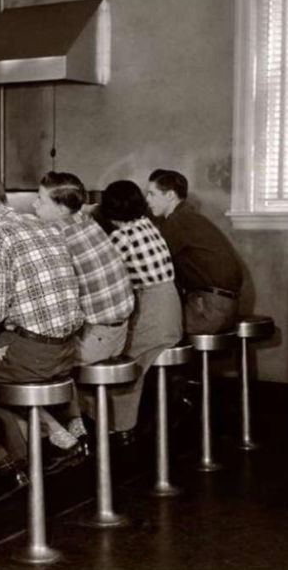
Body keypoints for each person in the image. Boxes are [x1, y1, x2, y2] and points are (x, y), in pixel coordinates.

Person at [0, 173, 84, 499]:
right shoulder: (42, 224)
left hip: (35, 352)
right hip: (68, 349)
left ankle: (20, 463)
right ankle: (52, 437)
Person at [33, 172, 135, 442]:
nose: (34, 205)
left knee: (32, 365)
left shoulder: (57, 234)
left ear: (62, 208)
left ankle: (60, 431)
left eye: (41, 200)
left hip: (96, 339)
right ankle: (75, 422)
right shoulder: (85, 220)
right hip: (118, 333)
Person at [93, 180, 183, 435]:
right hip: (170, 308)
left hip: (153, 313)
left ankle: (118, 428)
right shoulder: (147, 225)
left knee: (124, 365)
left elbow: (103, 276)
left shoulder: (121, 236)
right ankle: (128, 426)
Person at [146, 169, 242, 334]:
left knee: (142, 327)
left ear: (170, 195)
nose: (147, 200)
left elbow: (155, 269)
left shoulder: (176, 222)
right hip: (224, 307)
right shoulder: (189, 217)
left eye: (151, 194)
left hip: (208, 310)